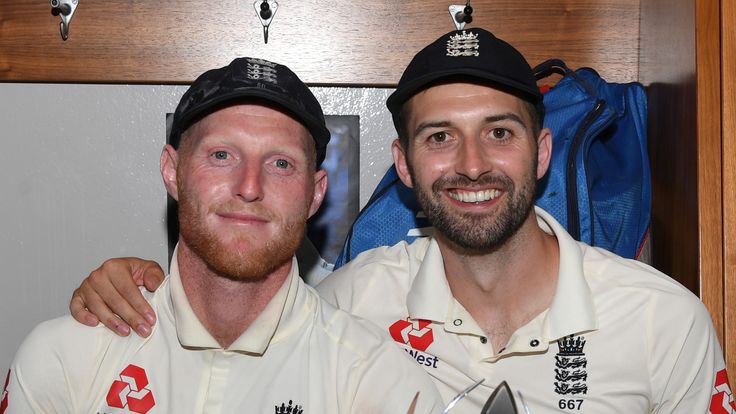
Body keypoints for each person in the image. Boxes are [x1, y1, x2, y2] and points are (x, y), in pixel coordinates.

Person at [63, 30, 730, 413]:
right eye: (439, 138)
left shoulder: (663, 323)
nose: (472, 165)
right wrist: (126, 287)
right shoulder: (348, 304)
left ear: (543, 152)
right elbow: (226, 329)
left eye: (499, 132)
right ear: (404, 166)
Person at [2, 57, 443, 413]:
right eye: (221, 154)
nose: (249, 186)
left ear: (315, 193)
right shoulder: (63, 356)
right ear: (172, 172)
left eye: (281, 164)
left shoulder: (378, 379)